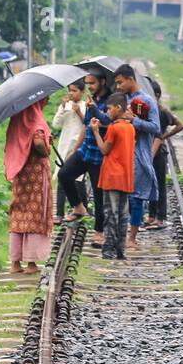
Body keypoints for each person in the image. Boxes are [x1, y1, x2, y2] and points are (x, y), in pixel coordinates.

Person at [57, 72, 111, 247]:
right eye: (88, 84)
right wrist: (75, 149)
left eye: (93, 83)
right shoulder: (91, 98)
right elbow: (86, 125)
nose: (90, 87)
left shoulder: (111, 100)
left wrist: (94, 109)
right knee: (64, 174)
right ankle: (79, 207)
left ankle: (99, 232)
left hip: (99, 155)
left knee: (99, 194)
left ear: (102, 81)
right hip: (85, 150)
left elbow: (107, 122)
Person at [112, 64, 161, 234]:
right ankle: (123, 232)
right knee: (121, 196)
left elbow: (156, 128)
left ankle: (132, 236)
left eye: (120, 82)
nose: (118, 87)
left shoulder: (146, 101)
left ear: (131, 79)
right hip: (121, 154)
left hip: (138, 154)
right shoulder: (121, 100)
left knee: (136, 198)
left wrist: (135, 121)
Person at [5, 100, 53, 274]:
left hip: (20, 173)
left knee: (18, 212)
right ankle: (31, 263)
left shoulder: (17, 121)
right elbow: (39, 142)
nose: (46, 101)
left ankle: (15, 263)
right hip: (35, 174)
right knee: (34, 213)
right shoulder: (35, 119)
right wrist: (47, 149)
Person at [91, 93, 137, 257]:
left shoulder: (114, 128)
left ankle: (108, 250)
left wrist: (96, 132)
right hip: (126, 177)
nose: (108, 112)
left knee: (110, 212)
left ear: (118, 108)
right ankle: (120, 250)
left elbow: (104, 150)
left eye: (109, 109)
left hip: (112, 176)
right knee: (123, 214)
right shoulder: (130, 128)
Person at [146, 77, 183, 227]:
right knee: (150, 183)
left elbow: (180, 125)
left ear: (156, 95)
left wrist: (163, 136)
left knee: (159, 184)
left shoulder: (162, 111)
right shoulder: (147, 111)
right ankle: (151, 215)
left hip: (159, 152)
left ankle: (160, 217)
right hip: (148, 150)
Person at [50, 82, 86, 223]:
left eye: (75, 91)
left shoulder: (84, 106)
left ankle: (81, 209)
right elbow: (56, 124)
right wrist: (64, 108)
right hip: (65, 147)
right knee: (62, 177)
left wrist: (78, 112)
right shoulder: (65, 106)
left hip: (78, 146)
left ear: (82, 92)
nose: (71, 94)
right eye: (70, 91)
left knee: (78, 179)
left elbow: (87, 124)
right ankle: (59, 213)